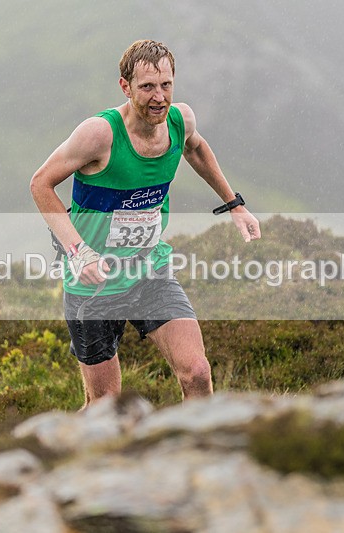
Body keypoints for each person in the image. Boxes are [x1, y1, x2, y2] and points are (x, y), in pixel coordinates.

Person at [30, 39, 260, 407]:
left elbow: (196, 148)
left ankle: (199, 455)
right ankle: (72, 458)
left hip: (150, 271)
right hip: (95, 284)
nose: (159, 97)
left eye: (166, 85)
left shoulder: (179, 120)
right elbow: (40, 183)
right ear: (125, 86)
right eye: (147, 87)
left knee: (198, 373)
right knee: (105, 406)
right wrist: (78, 251)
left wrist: (234, 204)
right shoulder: (99, 134)